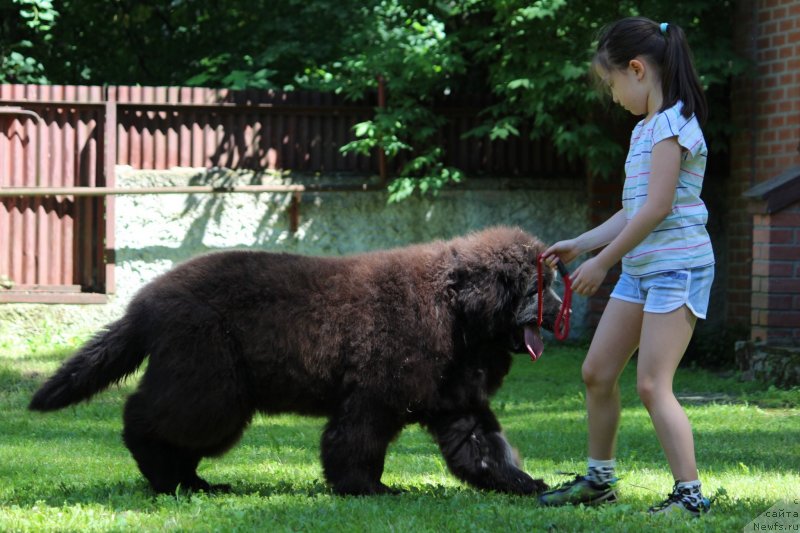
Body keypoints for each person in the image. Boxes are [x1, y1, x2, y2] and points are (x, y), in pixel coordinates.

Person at [537, 17, 714, 516]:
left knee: (653, 385)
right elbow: (632, 209)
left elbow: (658, 208)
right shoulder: (645, 130)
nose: (613, 96)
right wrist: (581, 243)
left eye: (612, 84)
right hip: (642, 270)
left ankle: (690, 496)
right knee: (597, 372)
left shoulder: (675, 124)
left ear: (636, 70)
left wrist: (603, 262)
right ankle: (600, 480)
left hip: (677, 269)